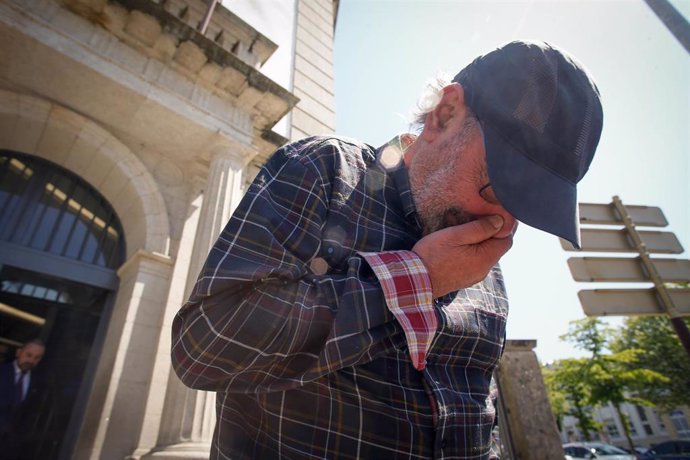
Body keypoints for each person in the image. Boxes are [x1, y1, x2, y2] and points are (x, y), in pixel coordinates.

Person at [172, 40, 603, 459]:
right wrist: (419, 278)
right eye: (499, 187)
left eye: (528, 209)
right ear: (445, 114)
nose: (502, 225)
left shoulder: (486, 269)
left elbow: (478, 417)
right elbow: (206, 346)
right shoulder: (325, 170)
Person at [0, 338, 46, 460]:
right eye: (28, 355)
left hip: (11, 448)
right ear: (18, 352)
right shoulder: (2, 371)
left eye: (37, 358)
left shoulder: (38, 383)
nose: (31, 360)